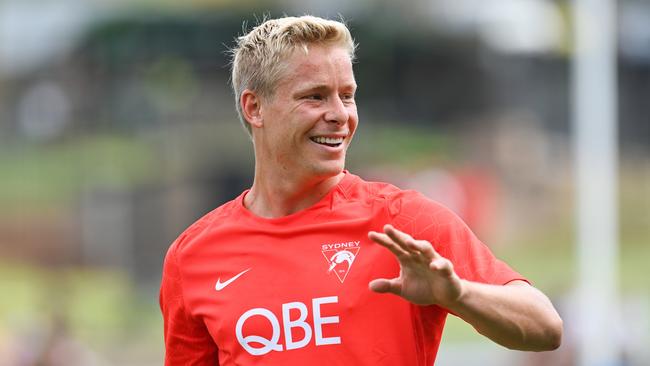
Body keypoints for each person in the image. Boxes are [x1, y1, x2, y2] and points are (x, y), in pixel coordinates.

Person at [159, 15, 563, 365]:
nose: (339, 115)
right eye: (314, 97)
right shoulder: (193, 258)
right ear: (254, 108)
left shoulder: (403, 224)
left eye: (347, 96)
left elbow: (544, 326)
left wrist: (458, 294)